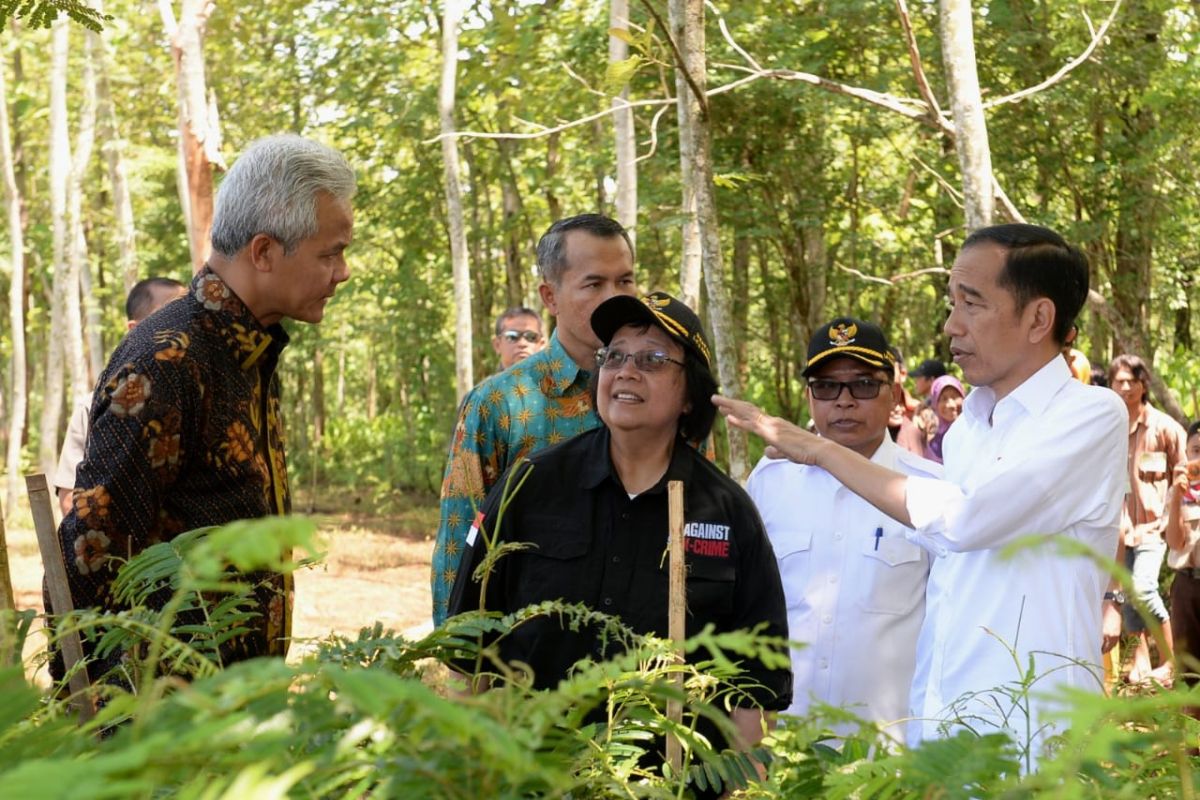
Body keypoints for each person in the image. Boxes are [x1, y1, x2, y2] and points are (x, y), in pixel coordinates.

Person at [713, 223, 1127, 767]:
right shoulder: (968, 431)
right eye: (951, 303)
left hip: (1035, 740)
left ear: (1039, 318)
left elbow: (967, 521)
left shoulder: (1089, 415)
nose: (951, 325)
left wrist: (816, 451)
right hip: (944, 733)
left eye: (971, 303)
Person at [55, 134, 355, 682]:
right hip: (165, 723)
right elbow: (90, 551)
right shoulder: (168, 359)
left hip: (234, 709)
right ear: (263, 252)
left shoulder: (249, 349)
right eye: (330, 254)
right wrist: (100, 722)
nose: (343, 272)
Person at [447, 291, 791, 769]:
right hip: (532, 774)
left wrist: (741, 779)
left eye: (652, 359)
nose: (627, 371)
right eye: (615, 356)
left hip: (673, 783)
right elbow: (469, 648)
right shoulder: (528, 485)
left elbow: (757, 686)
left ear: (690, 393)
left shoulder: (728, 511)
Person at [431, 213, 637, 626]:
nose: (615, 298)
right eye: (594, 284)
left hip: (645, 663)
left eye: (626, 281)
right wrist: (462, 660)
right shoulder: (498, 404)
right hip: (527, 665)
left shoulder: (665, 393)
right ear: (550, 296)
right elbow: (460, 546)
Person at [746, 317, 939, 740]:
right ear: (810, 395)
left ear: (894, 392)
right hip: (785, 741)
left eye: (864, 385)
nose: (844, 401)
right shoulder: (770, 482)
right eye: (827, 386)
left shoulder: (928, 489)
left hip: (890, 748)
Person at [52, 278, 189, 517]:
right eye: (168, 318)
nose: (183, 329)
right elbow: (69, 502)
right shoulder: (93, 408)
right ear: (135, 330)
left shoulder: (203, 398)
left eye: (186, 317)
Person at [1106, 354, 1185, 684]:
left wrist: (1175, 518)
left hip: (1155, 529)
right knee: (1124, 596)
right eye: (1119, 380)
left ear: (1143, 384)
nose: (1125, 387)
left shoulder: (1164, 427)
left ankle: (1171, 662)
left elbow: (1186, 471)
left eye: (1131, 380)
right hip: (1120, 530)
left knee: (1143, 588)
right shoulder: (1109, 428)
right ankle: (1139, 664)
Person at [1166, 421, 1200, 685]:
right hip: (1187, 586)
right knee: (1188, 668)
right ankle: (1191, 724)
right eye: (1196, 451)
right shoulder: (1177, 492)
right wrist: (1177, 498)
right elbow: (1175, 542)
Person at [923, 375, 965, 465]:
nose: (951, 405)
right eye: (943, 399)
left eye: (955, 397)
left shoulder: (976, 432)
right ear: (935, 404)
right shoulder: (933, 443)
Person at [490, 306, 545, 370]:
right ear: (497, 345)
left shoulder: (556, 378)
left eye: (531, 337)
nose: (522, 343)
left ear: (542, 345)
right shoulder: (493, 380)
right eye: (512, 337)